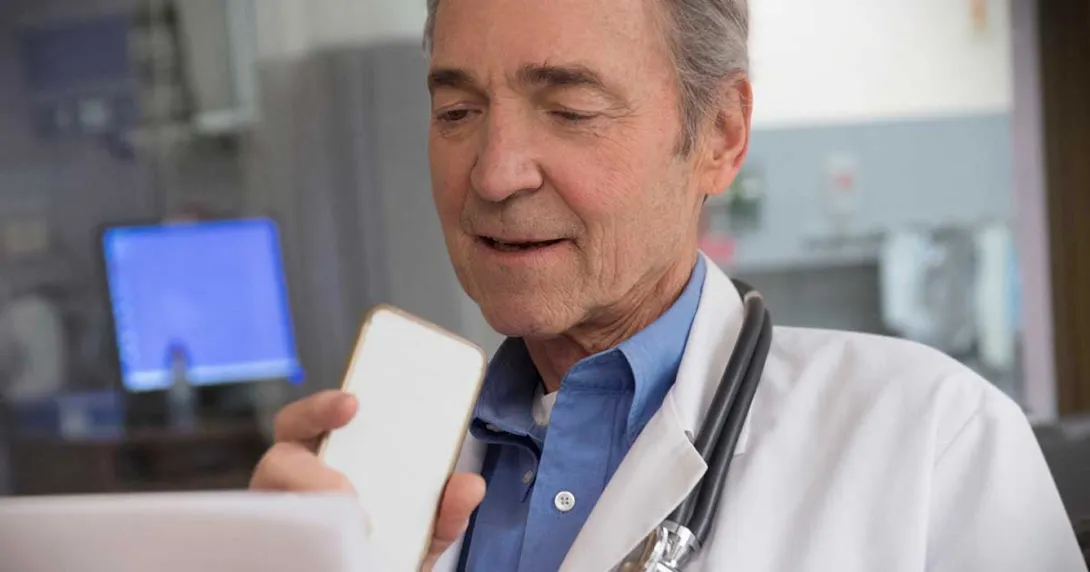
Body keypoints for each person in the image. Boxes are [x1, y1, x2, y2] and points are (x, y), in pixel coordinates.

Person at [249, 0, 1087, 570]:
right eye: (458, 112)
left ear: (719, 136)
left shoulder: (930, 439)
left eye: (570, 110)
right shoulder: (372, 477)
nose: (496, 173)